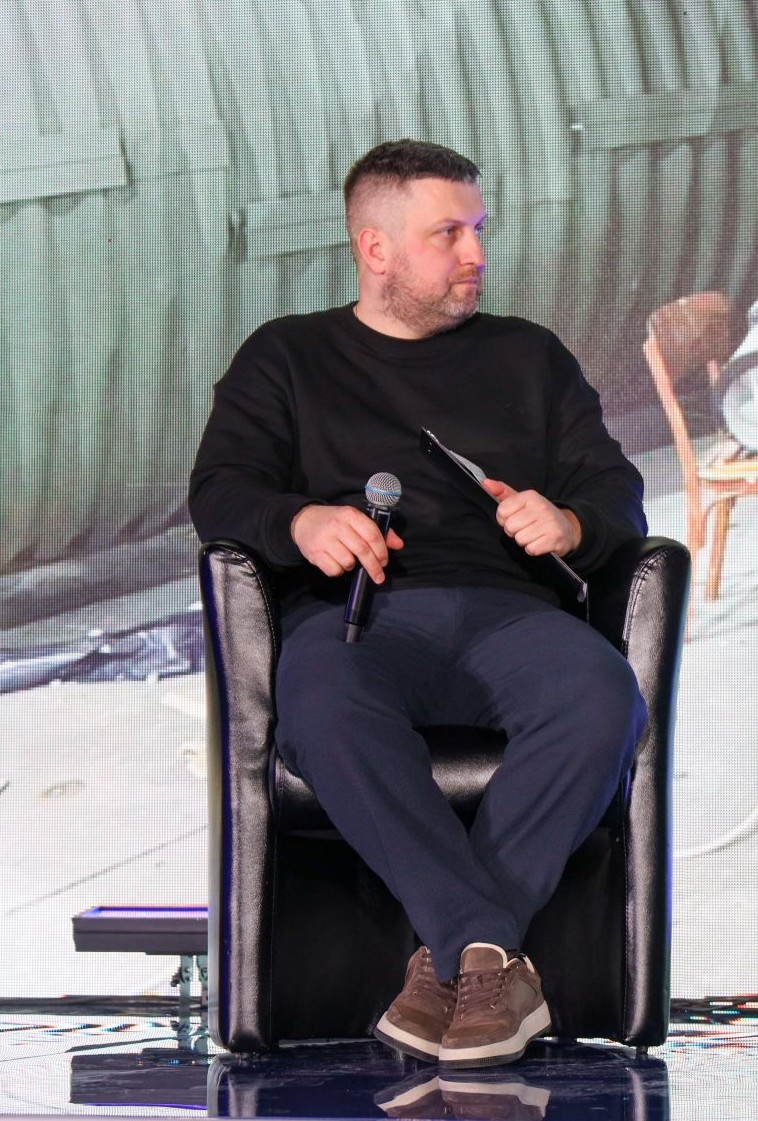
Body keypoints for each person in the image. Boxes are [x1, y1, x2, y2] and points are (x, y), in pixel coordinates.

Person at [189, 139, 648, 1069]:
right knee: (321, 703)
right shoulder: (287, 355)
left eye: (478, 229)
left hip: (511, 615)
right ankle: (485, 953)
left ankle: (455, 964)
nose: (476, 253)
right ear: (376, 247)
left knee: (603, 695)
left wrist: (569, 521)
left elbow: (617, 492)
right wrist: (300, 520)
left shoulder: (529, 355)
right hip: (360, 620)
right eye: (450, 234)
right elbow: (220, 492)